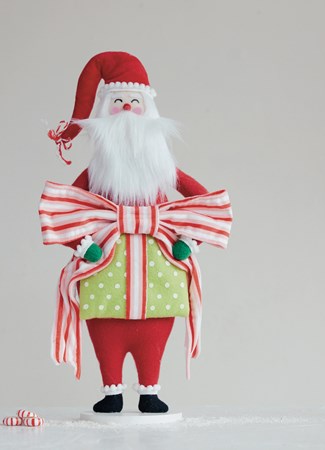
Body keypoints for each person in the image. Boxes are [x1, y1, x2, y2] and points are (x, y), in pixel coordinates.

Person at [39, 52, 232, 413]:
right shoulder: (95, 173)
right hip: (105, 265)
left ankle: (149, 391)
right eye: (117, 103)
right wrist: (82, 245)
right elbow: (63, 210)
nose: (127, 110)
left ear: (150, 114)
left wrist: (190, 240)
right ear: (103, 115)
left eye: (134, 103)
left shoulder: (163, 168)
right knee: (105, 323)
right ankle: (111, 390)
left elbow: (207, 204)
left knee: (156, 323)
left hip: (159, 268)